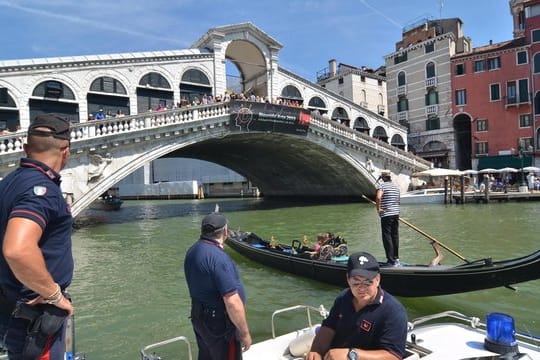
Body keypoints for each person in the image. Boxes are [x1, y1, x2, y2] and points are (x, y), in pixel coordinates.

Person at [0, 114, 74, 359]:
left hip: (11, 308)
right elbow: (17, 250)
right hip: (35, 319)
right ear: (65, 151)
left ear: (25, 148)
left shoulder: (8, 183)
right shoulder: (41, 190)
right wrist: (54, 294)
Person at [307, 251, 408, 360]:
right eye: (356, 282)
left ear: (378, 279)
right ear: (348, 279)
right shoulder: (344, 297)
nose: (361, 288)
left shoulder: (394, 311)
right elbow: (329, 326)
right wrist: (316, 350)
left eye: (368, 282)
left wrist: (352, 355)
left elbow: (394, 355)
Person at [184, 212, 252, 359]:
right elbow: (232, 301)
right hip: (220, 326)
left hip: (200, 318)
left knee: (206, 355)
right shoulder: (219, 258)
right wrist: (245, 333)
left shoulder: (192, 251)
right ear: (225, 231)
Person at [375, 170, 401, 266]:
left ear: (383, 178)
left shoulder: (382, 186)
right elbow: (398, 200)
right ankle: (396, 258)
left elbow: (378, 197)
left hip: (386, 214)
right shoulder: (396, 187)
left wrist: (378, 209)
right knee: (395, 236)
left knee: (387, 237)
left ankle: (390, 261)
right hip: (395, 214)